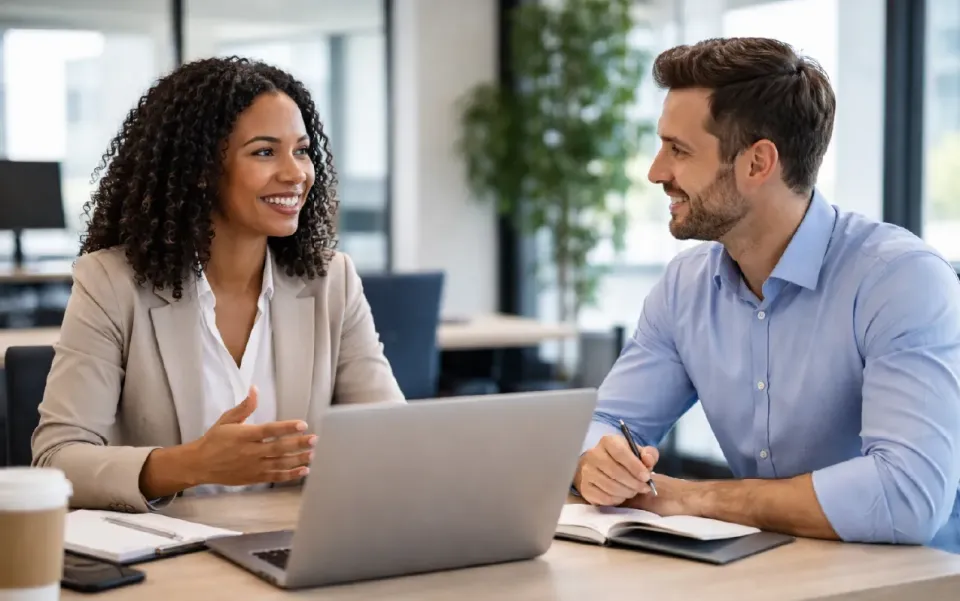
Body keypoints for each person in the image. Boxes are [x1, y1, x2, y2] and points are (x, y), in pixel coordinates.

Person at [572, 37, 960, 553]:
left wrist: (694, 498)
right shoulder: (684, 287)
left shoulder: (900, 280)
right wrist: (598, 460)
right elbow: (604, 422)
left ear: (757, 164)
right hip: (766, 568)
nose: (656, 172)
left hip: (909, 580)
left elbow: (905, 498)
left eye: (678, 150)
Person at [32, 56, 405, 512]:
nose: (295, 173)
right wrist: (192, 464)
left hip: (291, 545)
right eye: (265, 152)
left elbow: (391, 437)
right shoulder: (112, 284)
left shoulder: (332, 281)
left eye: (302, 150)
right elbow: (57, 461)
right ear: (200, 170)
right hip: (167, 559)